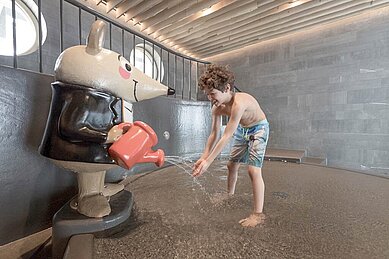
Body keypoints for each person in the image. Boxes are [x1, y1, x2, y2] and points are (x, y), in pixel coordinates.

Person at [192, 64, 269, 227]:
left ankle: (258, 214)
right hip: (243, 129)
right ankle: (230, 194)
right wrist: (203, 157)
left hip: (259, 128)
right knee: (231, 165)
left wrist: (209, 163)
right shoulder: (217, 109)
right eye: (207, 94)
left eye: (212, 93)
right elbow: (214, 134)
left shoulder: (239, 103)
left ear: (226, 88)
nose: (210, 98)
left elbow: (227, 135)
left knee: (253, 170)